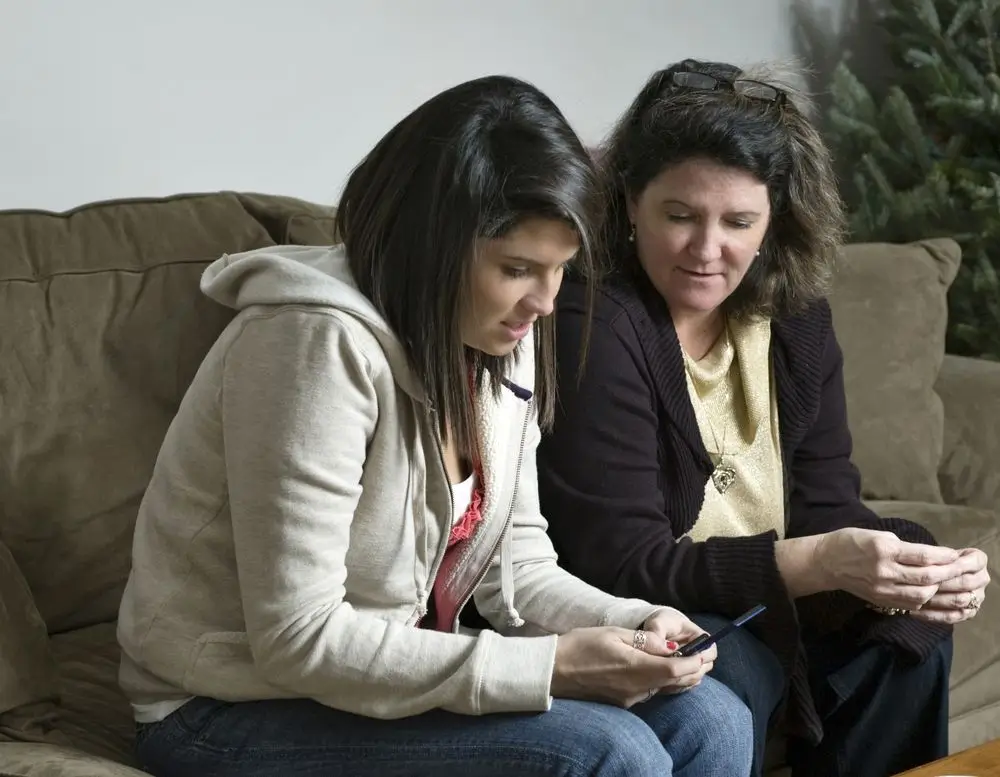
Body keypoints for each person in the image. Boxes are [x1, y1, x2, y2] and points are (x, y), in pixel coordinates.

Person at [115, 74, 753, 777]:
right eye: (517, 268)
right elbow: (298, 637)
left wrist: (634, 622)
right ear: (432, 247)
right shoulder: (311, 344)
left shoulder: (500, 333)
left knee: (711, 718)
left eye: (559, 269)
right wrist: (550, 666)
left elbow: (518, 572)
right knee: (609, 752)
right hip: (226, 705)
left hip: (374, 681)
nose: (545, 302)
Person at [536, 59, 991, 777]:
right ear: (628, 201)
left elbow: (824, 501)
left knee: (910, 626)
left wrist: (918, 570)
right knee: (729, 662)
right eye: (679, 215)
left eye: (739, 221)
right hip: (653, 606)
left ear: (775, 216)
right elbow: (617, 561)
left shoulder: (795, 316)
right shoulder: (590, 319)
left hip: (763, 594)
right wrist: (821, 561)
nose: (707, 250)